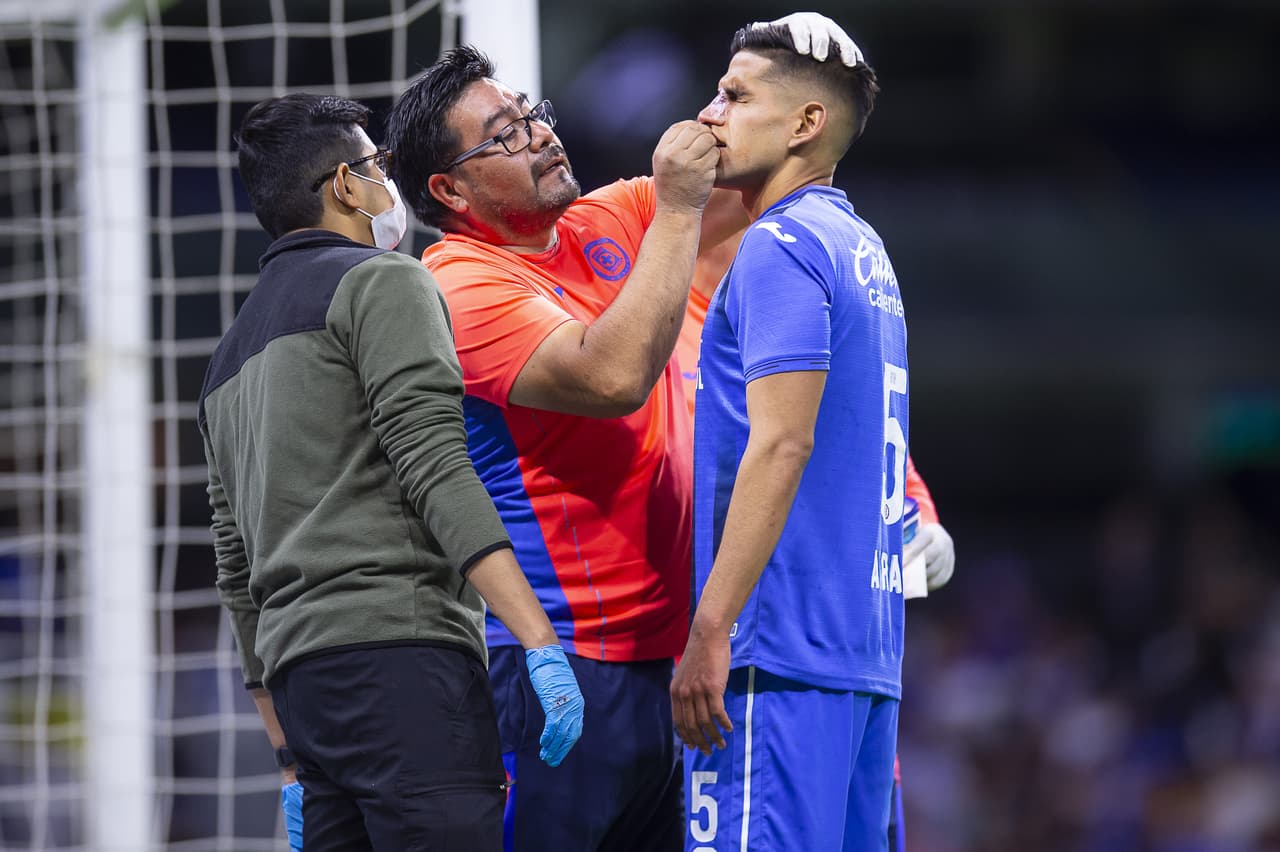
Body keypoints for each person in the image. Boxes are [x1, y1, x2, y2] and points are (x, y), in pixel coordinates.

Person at [199, 93, 583, 852]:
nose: (388, 182)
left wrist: (285, 758)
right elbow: (434, 461)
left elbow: (235, 570)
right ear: (345, 184)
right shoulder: (386, 281)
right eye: (376, 165)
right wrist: (537, 637)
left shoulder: (226, 360)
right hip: (405, 668)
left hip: (306, 694)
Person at [670, 17, 909, 850]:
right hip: (864, 659)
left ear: (806, 123)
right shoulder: (865, 251)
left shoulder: (779, 245)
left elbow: (783, 444)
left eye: (735, 95)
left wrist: (711, 629)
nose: (709, 114)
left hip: (778, 657)